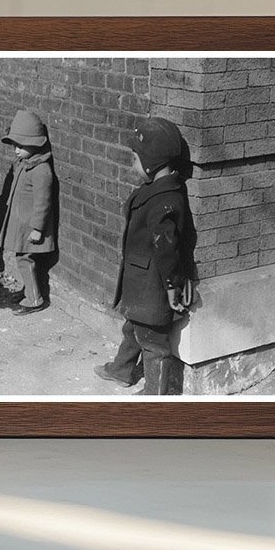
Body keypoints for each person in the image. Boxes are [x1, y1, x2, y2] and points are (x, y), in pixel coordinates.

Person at [95, 117, 191, 396]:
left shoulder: (166, 201)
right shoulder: (156, 191)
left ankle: (154, 395)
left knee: (154, 344)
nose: (131, 165)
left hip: (154, 286)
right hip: (140, 282)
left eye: (135, 159)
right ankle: (122, 370)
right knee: (133, 328)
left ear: (151, 162)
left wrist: (173, 286)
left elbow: (167, 249)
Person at [0, 110, 57, 316]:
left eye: (21, 146)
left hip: (30, 227)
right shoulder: (25, 164)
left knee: (25, 260)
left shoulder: (41, 171)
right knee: (22, 258)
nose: (16, 150)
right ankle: (28, 290)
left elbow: (44, 202)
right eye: (14, 145)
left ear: (36, 144)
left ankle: (34, 299)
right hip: (21, 223)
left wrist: (37, 228)